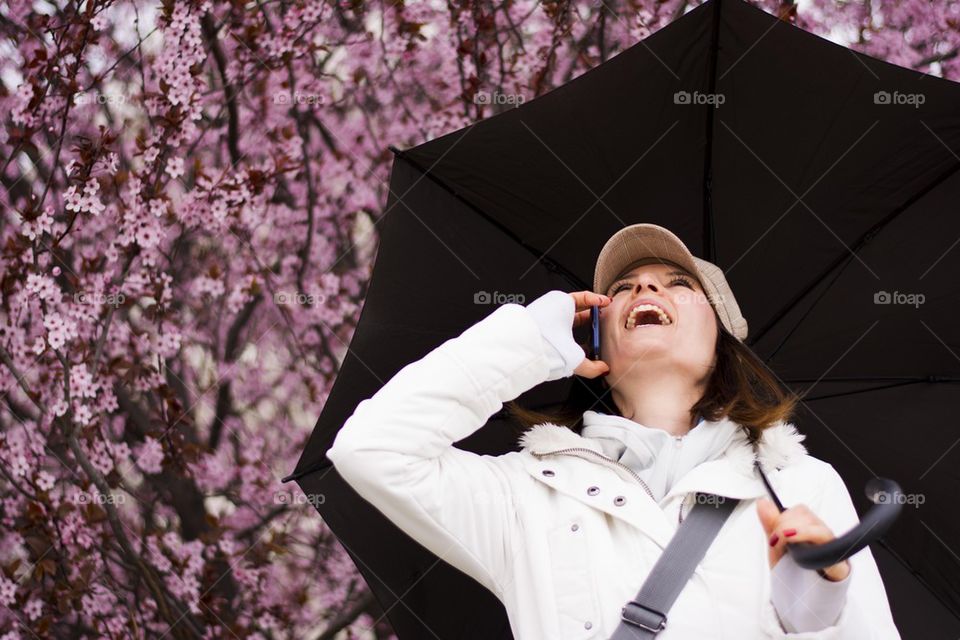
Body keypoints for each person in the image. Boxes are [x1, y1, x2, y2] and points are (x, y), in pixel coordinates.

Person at [326, 223, 901, 639]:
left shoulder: (797, 484)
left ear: (724, 339)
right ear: (593, 342)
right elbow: (372, 449)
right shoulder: (528, 494)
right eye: (624, 288)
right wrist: (529, 341)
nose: (646, 291)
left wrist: (822, 590)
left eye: (679, 283)